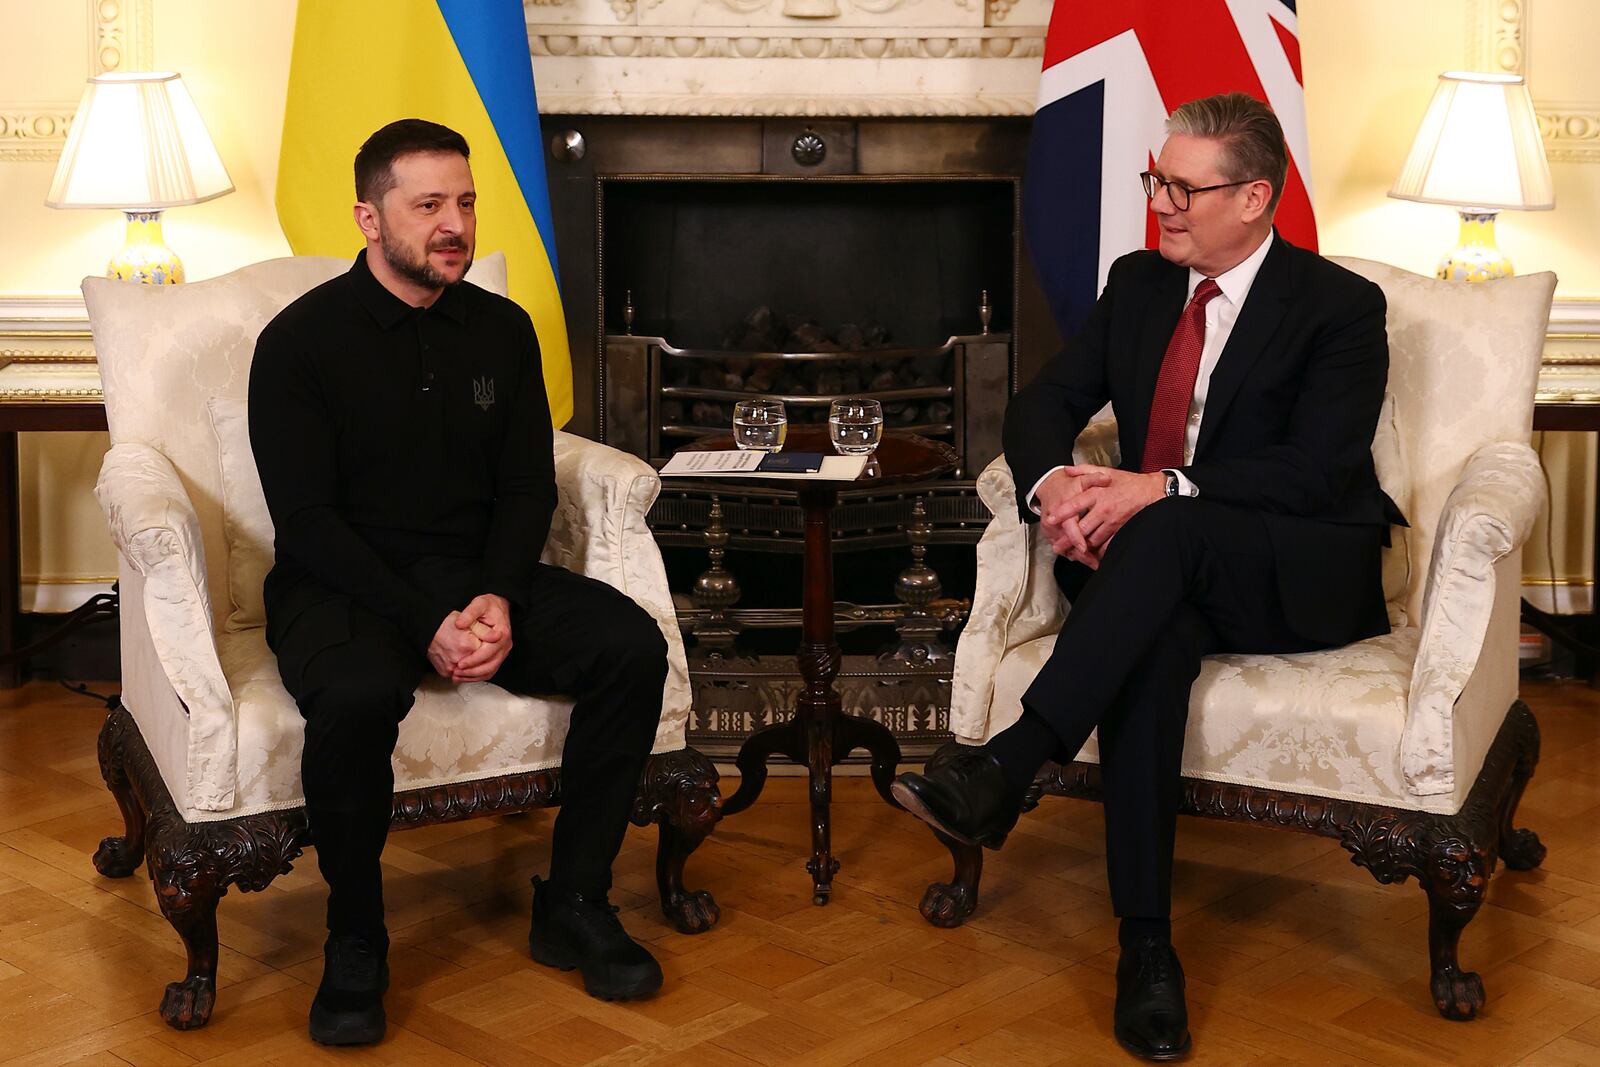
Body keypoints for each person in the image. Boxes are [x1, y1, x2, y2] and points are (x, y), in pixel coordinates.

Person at [892, 92, 1405, 1062]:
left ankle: (1010, 761)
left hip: (1291, 562)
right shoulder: (1138, 284)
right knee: (1152, 641)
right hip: (1154, 576)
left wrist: (1153, 486)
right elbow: (1044, 402)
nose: (1159, 202)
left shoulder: (1338, 306)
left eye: (1181, 186)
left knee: (1165, 528)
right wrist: (1052, 490)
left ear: (1254, 196)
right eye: (1153, 179)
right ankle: (1146, 949)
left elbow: (1315, 470)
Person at [250, 118, 670, 1047]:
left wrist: (496, 597)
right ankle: (356, 936)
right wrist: (425, 618)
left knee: (630, 646)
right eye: (429, 204)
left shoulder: (504, 329)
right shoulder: (299, 343)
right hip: (342, 584)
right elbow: (309, 524)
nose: (456, 224)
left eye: (466, 201)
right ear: (369, 217)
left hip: (476, 576)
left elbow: (526, 486)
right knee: (356, 693)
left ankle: (574, 899)